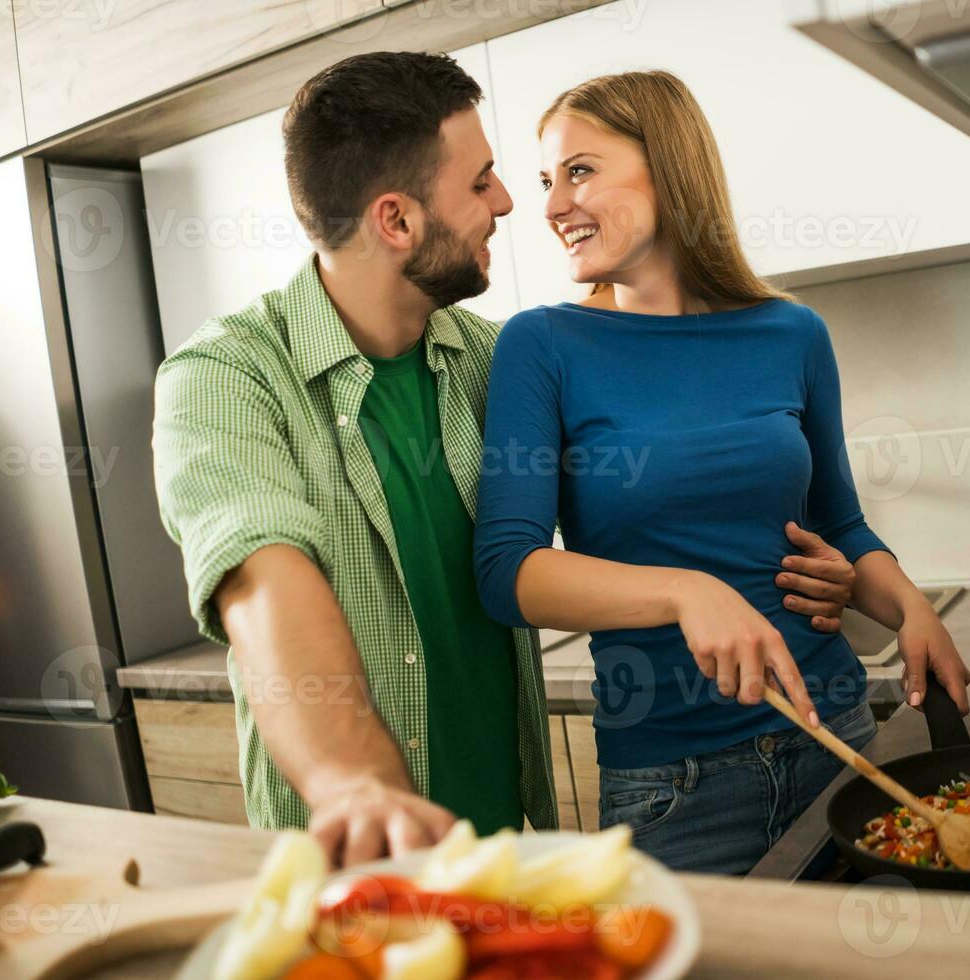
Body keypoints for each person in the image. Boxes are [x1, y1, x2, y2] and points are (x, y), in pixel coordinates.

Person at [151, 52, 856, 867]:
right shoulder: (226, 379)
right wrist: (351, 783)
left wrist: (822, 565)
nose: (512, 203)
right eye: (482, 181)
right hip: (358, 851)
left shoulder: (495, 362)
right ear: (397, 221)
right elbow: (263, 580)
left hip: (500, 844)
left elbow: (656, 437)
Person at [472, 71, 970, 874]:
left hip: (837, 737)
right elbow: (507, 571)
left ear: (667, 165)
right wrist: (685, 589)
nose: (552, 205)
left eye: (580, 170)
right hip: (673, 784)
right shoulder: (541, 347)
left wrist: (910, 608)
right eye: (546, 181)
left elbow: (840, 525)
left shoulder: (792, 332)